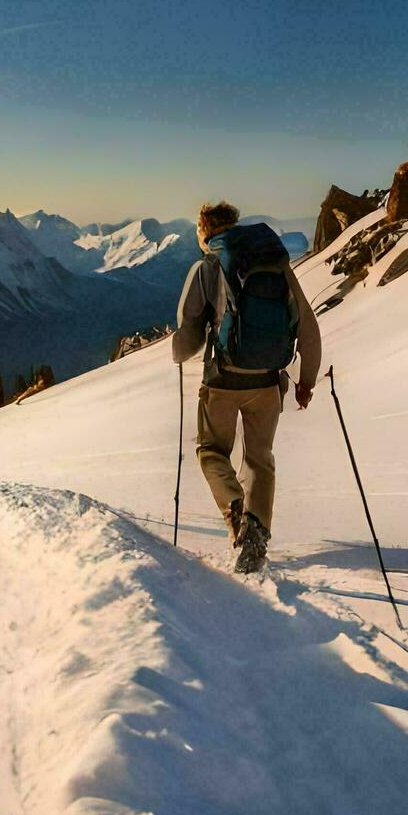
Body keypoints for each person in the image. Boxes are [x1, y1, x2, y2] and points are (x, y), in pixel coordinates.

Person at [172, 202, 321, 573]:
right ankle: (256, 529)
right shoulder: (276, 264)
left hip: (222, 379)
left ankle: (236, 510)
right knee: (259, 458)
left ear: (205, 231)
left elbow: (188, 337)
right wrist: (307, 381)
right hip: (269, 382)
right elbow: (307, 324)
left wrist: (178, 355)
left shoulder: (206, 267)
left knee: (211, 450)